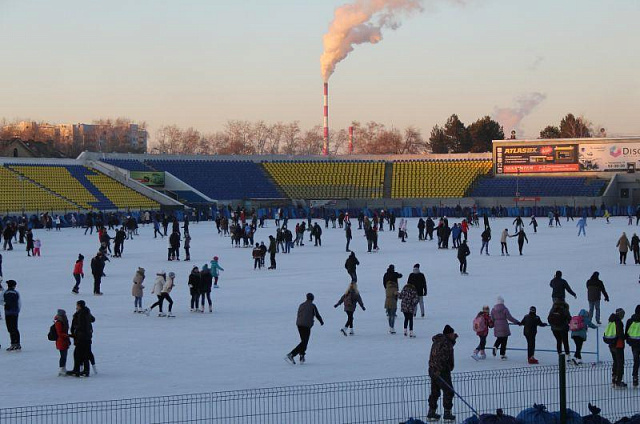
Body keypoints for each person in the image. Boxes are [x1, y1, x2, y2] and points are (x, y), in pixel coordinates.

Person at [427, 325, 458, 422]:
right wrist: (439, 370)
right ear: (449, 334)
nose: (453, 335)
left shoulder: (439, 340)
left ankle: (431, 412)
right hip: (441, 371)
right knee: (449, 391)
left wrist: (453, 340)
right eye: (452, 334)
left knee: (435, 391)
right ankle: (447, 413)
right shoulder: (446, 343)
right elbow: (442, 357)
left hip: (432, 370)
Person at [285, 293, 324, 364]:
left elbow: (299, 314)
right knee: (304, 341)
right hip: (306, 325)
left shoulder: (301, 304)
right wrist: (321, 321)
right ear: (312, 298)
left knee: (304, 341)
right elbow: (317, 315)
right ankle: (291, 355)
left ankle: (302, 356)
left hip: (299, 324)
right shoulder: (312, 306)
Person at [67, 300, 95, 377]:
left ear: (79, 305)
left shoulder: (81, 314)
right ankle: (84, 370)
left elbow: (81, 326)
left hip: (82, 337)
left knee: (78, 354)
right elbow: (93, 319)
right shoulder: (86, 312)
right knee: (84, 354)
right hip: (87, 337)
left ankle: (79, 370)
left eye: (77, 305)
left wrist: (75, 329)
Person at [603, 308, 627, 387]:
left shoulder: (611, 320)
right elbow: (620, 335)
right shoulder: (618, 322)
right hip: (618, 345)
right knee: (620, 363)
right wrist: (625, 337)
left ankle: (614, 378)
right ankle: (618, 381)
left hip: (611, 345)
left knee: (615, 362)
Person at [3, 280, 21, 351]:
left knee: (10, 328)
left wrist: (5, 304)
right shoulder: (16, 293)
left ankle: (14, 343)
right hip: (14, 313)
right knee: (14, 328)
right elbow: (19, 303)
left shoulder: (5, 292)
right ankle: (16, 343)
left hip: (8, 313)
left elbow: (1, 300)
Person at [625, 305, 640, 388]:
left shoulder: (630, 321)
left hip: (634, 344)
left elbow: (626, 333)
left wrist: (629, 341)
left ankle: (635, 378)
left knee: (636, 361)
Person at [53, 309, 71, 376]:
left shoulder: (64, 321)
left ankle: (63, 368)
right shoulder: (59, 322)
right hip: (61, 341)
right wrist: (67, 335)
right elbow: (59, 333)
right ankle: (61, 369)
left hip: (65, 341)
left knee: (64, 355)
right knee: (63, 356)